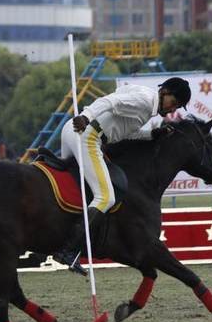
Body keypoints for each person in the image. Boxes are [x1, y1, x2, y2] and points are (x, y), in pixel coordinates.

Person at [52, 77, 191, 271]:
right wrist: (86, 115)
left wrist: (151, 134)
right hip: (88, 135)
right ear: (164, 91)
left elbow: (125, 133)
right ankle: (68, 250)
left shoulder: (147, 104)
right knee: (106, 197)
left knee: (77, 188)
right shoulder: (144, 100)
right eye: (174, 103)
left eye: (177, 107)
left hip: (72, 131)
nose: (172, 110)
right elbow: (110, 102)